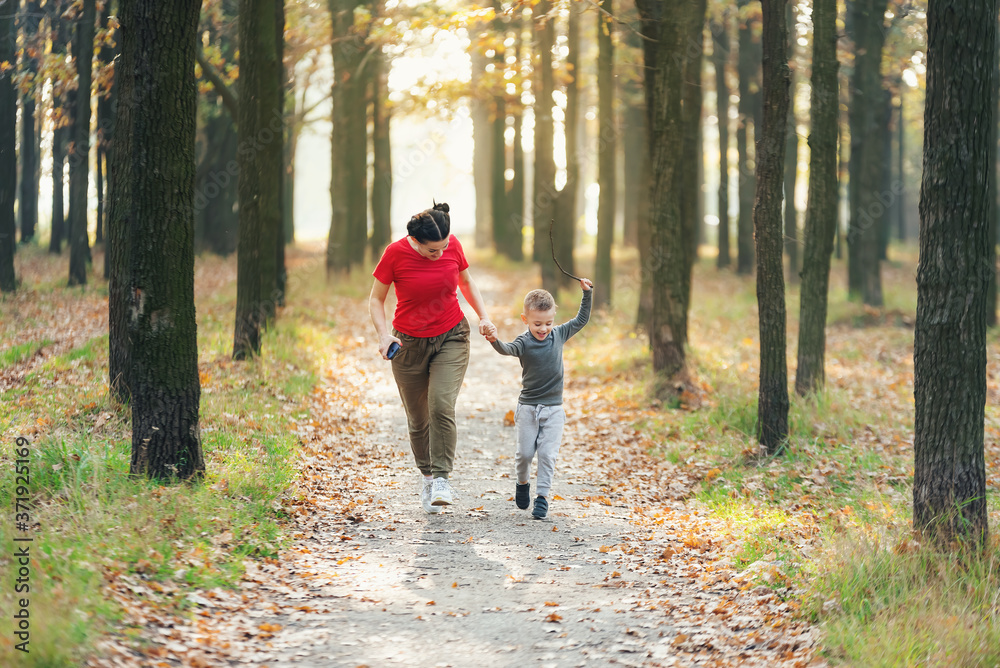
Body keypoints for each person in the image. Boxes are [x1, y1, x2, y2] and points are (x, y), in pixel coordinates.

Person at [369, 202, 495, 514]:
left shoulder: (452, 245)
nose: (440, 254)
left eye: (443, 248)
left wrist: (484, 316)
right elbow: (376, 298)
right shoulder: (395, 254)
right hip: (408, 343)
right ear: (416, 240)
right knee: (418, 418)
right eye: (432, 251)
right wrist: (384, 335)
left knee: (441, 404)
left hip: (451, 335)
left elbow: (466, 282)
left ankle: (442, 479)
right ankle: (427, 476)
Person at [486, 278, 593, 519]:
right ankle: (522, 483)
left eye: (548, 323)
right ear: (525, 320)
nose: (543, 329)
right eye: (537, 324)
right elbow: (507, 349)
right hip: (528, 408)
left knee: (547, 454)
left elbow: (582, 319)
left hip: (554, 408)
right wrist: (494, 339)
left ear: (553, 317)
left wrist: (586, 294)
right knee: (524, 453)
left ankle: (542, 496)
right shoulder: (524, 342)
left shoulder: (559, 334)